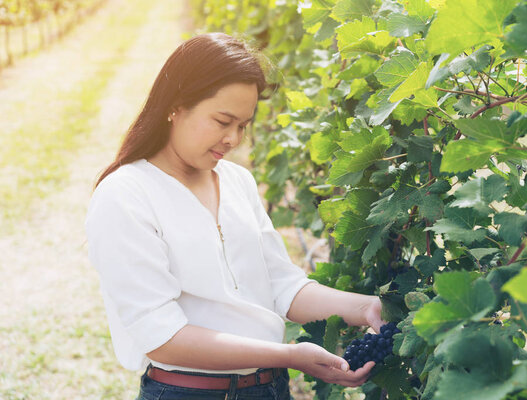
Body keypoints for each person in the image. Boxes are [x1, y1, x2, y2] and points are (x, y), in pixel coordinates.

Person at [85, 32, 384, 400]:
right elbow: (161, 337)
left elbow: (282, 286)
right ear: (175, 106)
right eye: (222, 121)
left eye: (243, 125)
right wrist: (290, 356)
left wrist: (365, 307)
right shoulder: (125, 195)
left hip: (271, 389)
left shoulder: (237, 181)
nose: (234, 139)